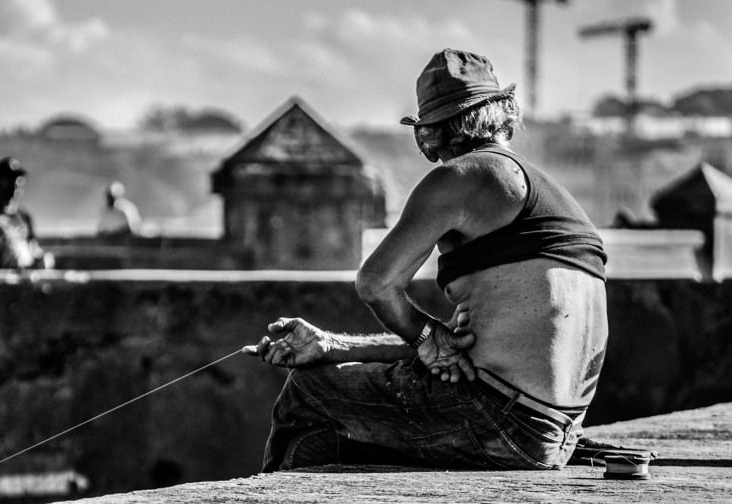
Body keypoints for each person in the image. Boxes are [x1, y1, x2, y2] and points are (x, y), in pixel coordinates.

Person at [251, 48, 608, 472]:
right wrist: (333, 346)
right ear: (503, 114)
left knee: (306, 395)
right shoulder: (550, 196)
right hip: (555, 434)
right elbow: (456, 350)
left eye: (426, 138)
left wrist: (426, 337)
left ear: (435, 133)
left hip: (501, 424)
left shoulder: (461, 177)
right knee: (343, 429)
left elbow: (377, 285)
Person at [0, 156, 54, 270]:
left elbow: (33, 248)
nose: (16, 184)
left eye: (18, 178)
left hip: (22, 281)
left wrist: (43, 259)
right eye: (9, 179)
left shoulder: (24, 216)